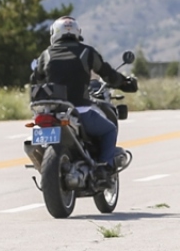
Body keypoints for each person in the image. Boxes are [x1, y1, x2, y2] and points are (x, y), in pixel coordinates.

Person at [30, 17, 138, 177]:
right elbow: (108, 74)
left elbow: (36, 80)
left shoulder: (46, 55)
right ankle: (105, 167)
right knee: (110, 130)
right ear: (77, 32)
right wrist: (124, 82)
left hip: (51, 112)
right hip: (80, 110)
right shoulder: (87, 52)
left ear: (54, 33)